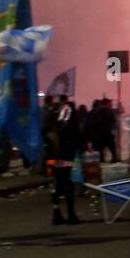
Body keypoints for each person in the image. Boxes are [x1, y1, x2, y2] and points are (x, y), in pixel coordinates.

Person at [50, 97, 81, 226]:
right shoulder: (70, 120)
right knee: (68, 184)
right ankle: (70, 213)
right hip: (67, 156)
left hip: (57, 157)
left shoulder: (57, 119)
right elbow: (76, 136)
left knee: (59, 184)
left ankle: (56, 213)